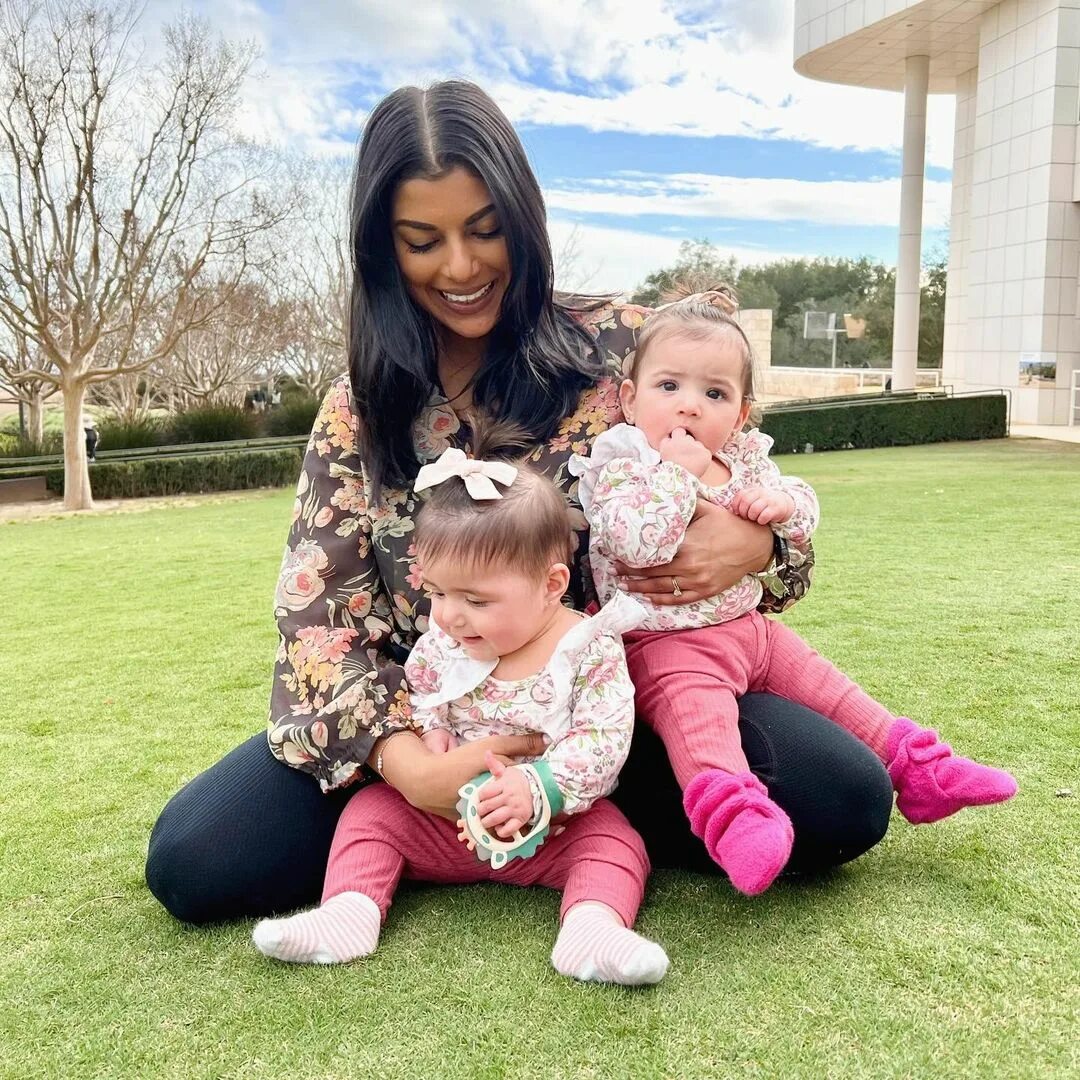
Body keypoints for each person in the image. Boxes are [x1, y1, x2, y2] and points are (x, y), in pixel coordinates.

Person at [145, 80, 894, 926]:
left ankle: (589, 810)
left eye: (485, 229)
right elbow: (317, 620)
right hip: (429, 723)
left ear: (524, 218)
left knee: (842, 801)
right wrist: (408, 766)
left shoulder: (628, 350)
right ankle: (447, 824)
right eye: (422, 241)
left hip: (625, 712)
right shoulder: (358, 409)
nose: (460, 267)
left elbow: (766, 499)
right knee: (195, 861)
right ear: (383, 251)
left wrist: (758, 546)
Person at [569, 299, 1018, 896]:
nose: (688, 405)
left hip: (751, 629)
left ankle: (922, 769)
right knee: (702, 729)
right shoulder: (627, 466)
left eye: (715, 394)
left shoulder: (742, 458)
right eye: (669, 385)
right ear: (629, 398)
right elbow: (634, 542)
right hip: (666, 646)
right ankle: (736, 822)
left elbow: (798, 504)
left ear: (741, 412)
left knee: (836, 692)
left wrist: (779, 514)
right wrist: (679, 474)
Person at [252, 423, 668, 984]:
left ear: (551, 584)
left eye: (475, 599)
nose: (449, 615)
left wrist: (541, 786)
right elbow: (421, 694)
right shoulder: (444, 642)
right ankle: (349, 913)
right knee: (371, 816)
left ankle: (591, 928)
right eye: (439, 592)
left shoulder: (588, 646)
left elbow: (604, 736)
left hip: (553, 828)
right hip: (445, 821)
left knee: (615, 841)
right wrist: (431, 741)